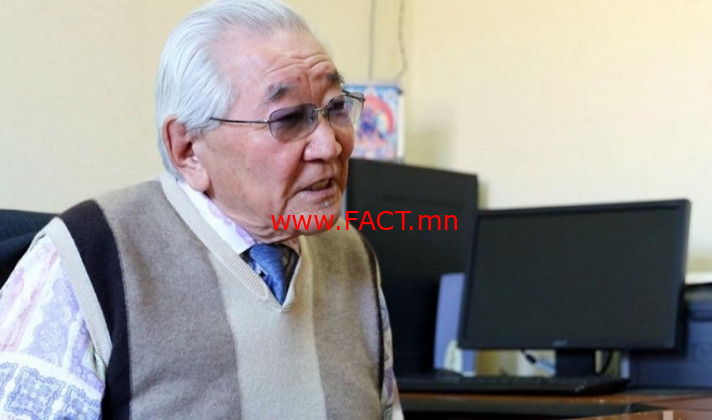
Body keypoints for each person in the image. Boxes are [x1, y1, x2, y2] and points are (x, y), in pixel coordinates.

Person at [0, 0, 403, 418]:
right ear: (188, 149)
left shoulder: (353, 256)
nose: (330, 145)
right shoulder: (85, 259)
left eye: (335, 109)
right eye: (288, 119)